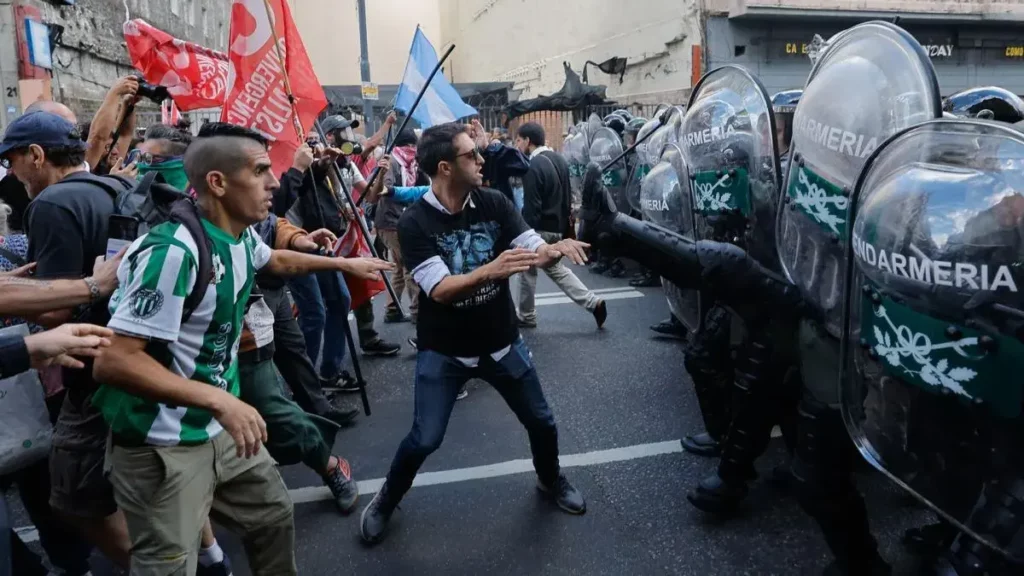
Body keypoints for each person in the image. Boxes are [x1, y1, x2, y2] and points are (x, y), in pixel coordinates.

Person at [91, 123, 392, 575]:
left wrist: (344, 262)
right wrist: (221, 401)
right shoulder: (173, 252)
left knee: (272, 516)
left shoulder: (238, 235)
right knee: (168, 565)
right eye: (260, 171)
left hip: (219, 433)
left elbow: (275, 259)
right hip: (161, 446)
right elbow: (114, 359)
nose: (275, 182)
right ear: (217, 182)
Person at [360, 122, 590, 545]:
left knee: (542, 422)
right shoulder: (415, 222)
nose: (482, 160)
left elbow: (529, 243)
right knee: (425, 438)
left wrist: (549, 250)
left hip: (502, 344)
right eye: (472, 155)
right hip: (444, 352)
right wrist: (492, 268)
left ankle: (550, 479)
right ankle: (387, 498)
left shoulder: (494, 202)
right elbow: (442, 290)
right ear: (445, 167)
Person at [0, 110, 135, 566]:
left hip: (82, 368)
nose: (13, 176)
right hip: (129, 358)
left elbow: (55, 309)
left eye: (14, 162)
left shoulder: (52, 205)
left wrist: (16, 298)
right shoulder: (116, 187)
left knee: (72, 496)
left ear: (36, 156)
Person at [514, 122, 606, 328]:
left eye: (518, 140)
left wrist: (527, 233)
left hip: (538, 230)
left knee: (527, 271)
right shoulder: (560, 159)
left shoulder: (532, 165)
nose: (516, 145)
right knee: (557, 270)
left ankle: (526, 315)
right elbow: (567, 196)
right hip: (558, 228)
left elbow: (532, 205)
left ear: (528, 141)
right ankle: (593, 303)